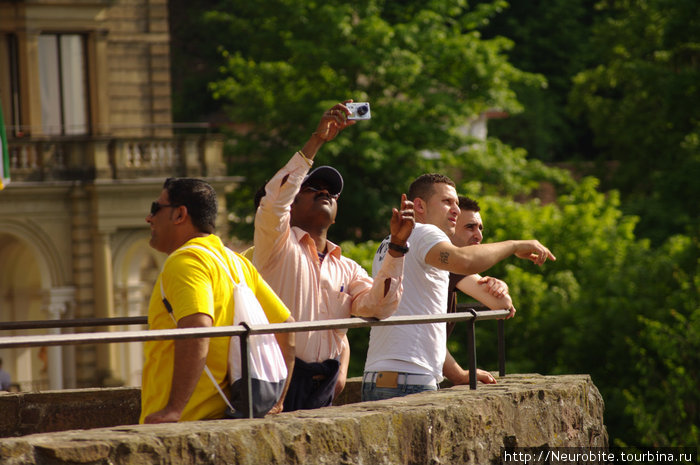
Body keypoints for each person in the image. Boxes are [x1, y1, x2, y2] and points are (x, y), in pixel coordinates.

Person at [253, 101, 415, 411]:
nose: (324, 193)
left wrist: (397, 247)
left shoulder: (348, 268)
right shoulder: (276, 242)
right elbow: (273, 201)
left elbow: (379, 308)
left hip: (322, 384)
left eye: (332, 192)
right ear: (293, 202)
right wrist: (316, 142)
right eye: (313, 187)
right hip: (274, 375)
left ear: (337, 212)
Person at [363, 174, 555, 401]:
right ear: (419, 205)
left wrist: (459, 374)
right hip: (411, 379)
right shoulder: (426, 233)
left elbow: (422, 327)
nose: (455, 209)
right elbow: (465, 262)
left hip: (375, 376)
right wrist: (515, 245)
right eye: (447, 202)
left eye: (456, 203)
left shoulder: (389, 243)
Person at [140, 177, 295, 423]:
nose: (149, 218)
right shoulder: (237, 263)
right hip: (227, 416)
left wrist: (173, 410)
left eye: (155, 208)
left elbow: (197, 328)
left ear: (180, 214)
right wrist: (279, 400)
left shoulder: (186, 261)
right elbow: (287, 327)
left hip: (189, 421)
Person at [446, 195, 515, 339]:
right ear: (449, 227)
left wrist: (500, 286)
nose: (479, 236)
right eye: (470, 227)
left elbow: (433, 346)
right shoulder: (450, 262)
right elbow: (502, 304)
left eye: (480, 228)